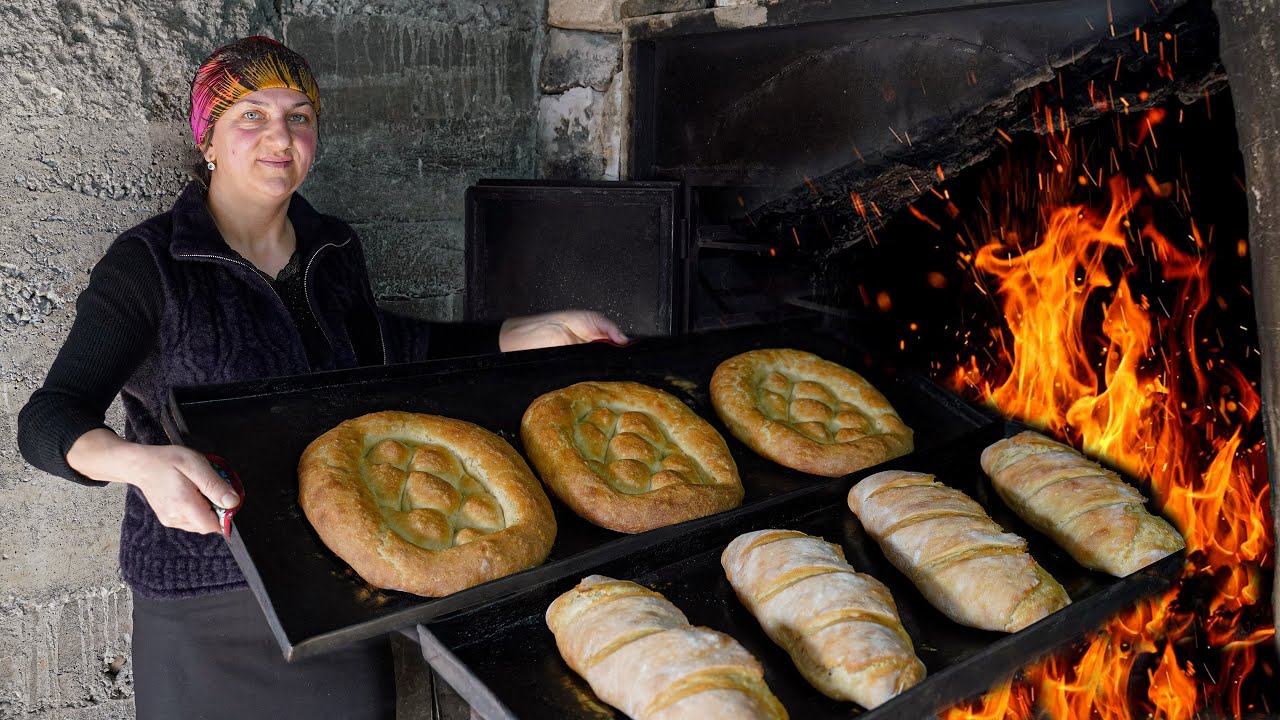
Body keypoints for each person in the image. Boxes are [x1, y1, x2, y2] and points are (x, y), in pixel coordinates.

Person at [15, 36, 626, 719]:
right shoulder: (151, 264)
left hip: (333, 584)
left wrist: (527, 332)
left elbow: (398, 347)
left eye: (299, 116)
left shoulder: (332, 248)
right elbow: (48, 419)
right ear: (208, 137)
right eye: (252, 115)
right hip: (208, 605)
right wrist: (139, 465)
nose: (281, 136)